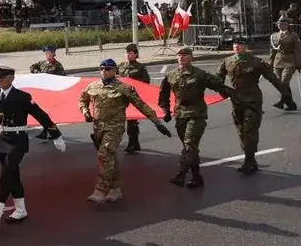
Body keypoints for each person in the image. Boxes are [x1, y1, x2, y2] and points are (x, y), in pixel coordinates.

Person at [0, 66, 66, 226]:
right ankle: (21, 210)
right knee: (12, 175)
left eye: (2, 77)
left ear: (11, 78)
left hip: (17, 140)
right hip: (1, 139)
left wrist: (56, 134)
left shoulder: (22, 97)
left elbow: (40, 114)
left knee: (6, 174)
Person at [79, 58, 171, 203]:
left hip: (115, 128)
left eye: (108, 69)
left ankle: (100, 190)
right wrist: (85, 112)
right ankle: (115, 189)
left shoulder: (124, 88)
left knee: (104, 155)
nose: (104, 71)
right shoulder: (92, 86)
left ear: (115, 71)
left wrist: (156, 122)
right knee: (110, 159)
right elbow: (83, 99)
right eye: (101, 68)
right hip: (98, 128)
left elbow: (141, 105)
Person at [216, 36, 296, 174]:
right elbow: (217, 79)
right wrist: (224, 92)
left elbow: (273, 78)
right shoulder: (227, 61)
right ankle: (251, 159)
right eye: (234, 43)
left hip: (252, 100)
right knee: (241, 129)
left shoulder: (256, 62)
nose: (236, 45)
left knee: (249, 130)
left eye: (240, 43)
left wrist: (286, 94)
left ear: (246, 47)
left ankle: (248, 160)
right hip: (236, 101)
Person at [158, 47, 234, 188]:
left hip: (196, 113)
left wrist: (236, 96)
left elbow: (218, 85)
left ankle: (181, 174)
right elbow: (163, 95)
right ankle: (197, 177)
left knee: (189, 143)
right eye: (179, 55)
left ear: (191, 58)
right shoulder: (171, 75)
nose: (182, 57)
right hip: (180, 115)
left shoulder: (200, 74)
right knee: (190, 147)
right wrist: (166, 111)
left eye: (185, 55)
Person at [116, 44, 152, 154]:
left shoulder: (140, 68)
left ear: (136, 54)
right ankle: (135, 144)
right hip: (122, 98)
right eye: (127, 53)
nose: (128, 55)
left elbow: (146, 82)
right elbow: (115, 76)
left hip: (134, 98)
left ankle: (132, 143)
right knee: (123, 120)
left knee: (132, 122)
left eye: (131, 53)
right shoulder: (121, 65)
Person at [28, 45, 66, 140]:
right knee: (44, 113)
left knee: (49, 114)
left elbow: (63, 78)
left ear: (53, 53)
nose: (47, 55)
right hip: (43, 92)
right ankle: (50, 132)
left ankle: (49, 132)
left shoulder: (57, 65)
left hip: (53, 92)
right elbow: (32, 67)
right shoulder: (42, 63)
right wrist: (37, 72)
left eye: (49, 53)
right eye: (46, 53)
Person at [268, 19, 299, 105]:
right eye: (279, 24)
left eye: (283, 24)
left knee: (284, 81)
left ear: (287, 25)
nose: (281, 25)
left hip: (290, 60)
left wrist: (298, 63)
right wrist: (270, 63)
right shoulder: (274, 36)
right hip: (278, 61)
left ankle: (281, 101)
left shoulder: (293, 36)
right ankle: (291, 104)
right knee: (281, 83)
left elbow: (297, 49)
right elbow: (272, 50)